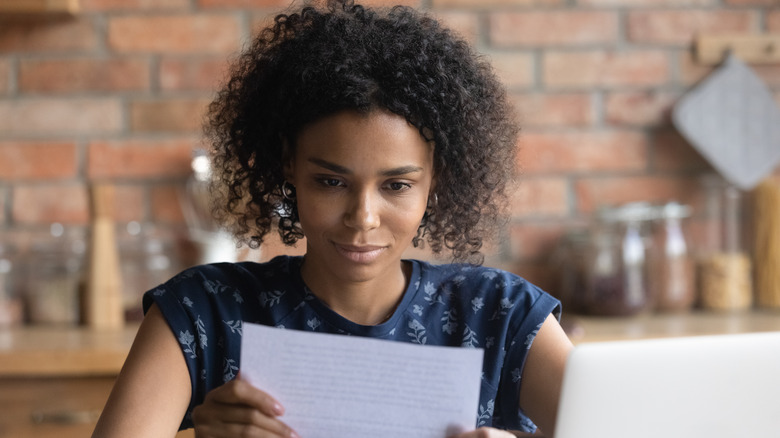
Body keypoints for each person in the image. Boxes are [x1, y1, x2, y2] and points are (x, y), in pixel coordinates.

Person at [92, 0, 573, 437]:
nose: (362, 218)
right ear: (288, 166)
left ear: (437, 179)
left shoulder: (501, 316)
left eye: (396, 185)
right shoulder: (203, 314)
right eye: (330, 181)